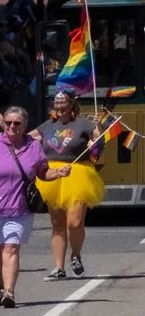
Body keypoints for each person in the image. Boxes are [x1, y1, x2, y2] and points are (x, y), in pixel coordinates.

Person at [0, 106, 46, 308]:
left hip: (19, 210)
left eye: (17, 123)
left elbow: (42, 173)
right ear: (3, 124)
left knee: (11, 249)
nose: (12, 126)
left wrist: (58, 173)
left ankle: (9, 293)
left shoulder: (34, 147)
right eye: (8, 123)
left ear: (24, 126)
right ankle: (1, 285)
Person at [35, 89, 105, 278]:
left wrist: (98, 130)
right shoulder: (47, 125)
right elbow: (25, 139)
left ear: (71, 104)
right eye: (56, 103)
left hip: (77, 174)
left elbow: (98, 144)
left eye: (62, 102)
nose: (58, 106)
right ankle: (59, 267)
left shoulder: (83, 124)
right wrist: (4, 127)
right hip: (53, 176)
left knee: (74, 223)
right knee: (57, 223)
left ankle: (76, 255)